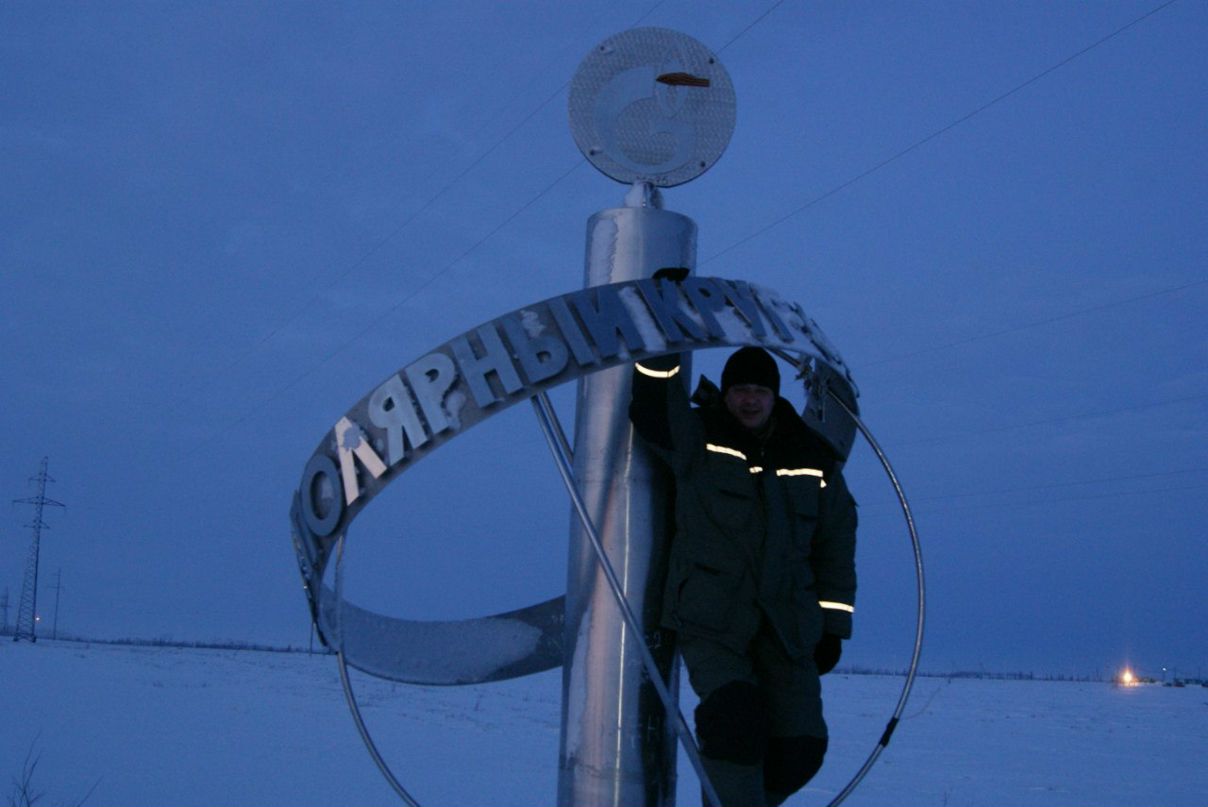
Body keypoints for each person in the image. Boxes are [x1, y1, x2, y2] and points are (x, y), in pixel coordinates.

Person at [630, 345, 857, 807]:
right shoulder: (700, 437)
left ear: (775, 396)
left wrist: (833, 627)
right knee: (734, 723)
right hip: (713, 620)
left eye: (759, 391)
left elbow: (836, 544)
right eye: (739, 391)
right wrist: (664, 338)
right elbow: (655, 408)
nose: (749, 400)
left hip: (788, 627)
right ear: (727, 393)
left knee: (802, 747)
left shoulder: (813, 457)